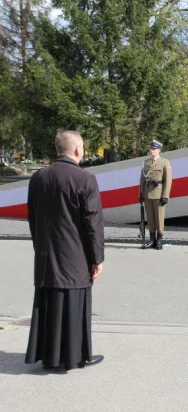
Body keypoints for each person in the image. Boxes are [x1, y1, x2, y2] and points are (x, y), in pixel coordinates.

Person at [25, 130, 105, 371]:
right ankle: (77, 356)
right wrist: (97, 258)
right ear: (78, 150)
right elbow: (93, 223)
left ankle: (49, 356)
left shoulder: (38, 178)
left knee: (49, 303)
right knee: (75, 303)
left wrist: (39, 247)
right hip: (75, 256)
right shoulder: (85, 179)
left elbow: (33, 218)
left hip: (46, 255)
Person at [139, 140, 172, 250]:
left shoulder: (164, 162)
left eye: (154, 149)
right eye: (150, 148)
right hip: (148, 195)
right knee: (150, 219)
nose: (151, 150)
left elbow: (168, 180)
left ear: (159, 150)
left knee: (159, 218)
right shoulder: (146, 163)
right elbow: (142, 180)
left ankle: (159, 239)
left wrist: (165, 195)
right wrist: (141, 193)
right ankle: (152, 239)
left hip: (158, 195)